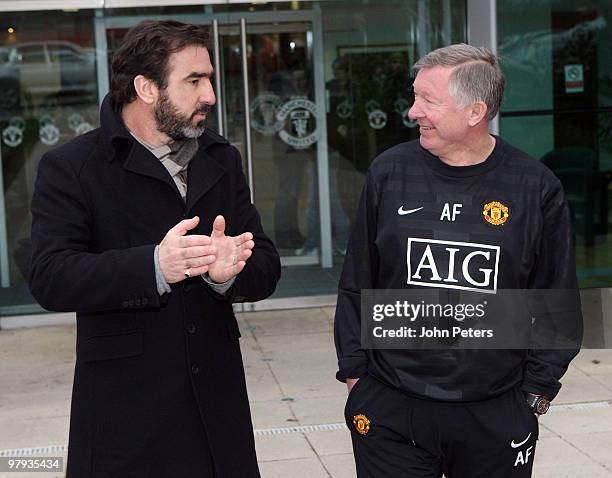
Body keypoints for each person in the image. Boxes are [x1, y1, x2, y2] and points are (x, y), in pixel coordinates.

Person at [29, 20, 280, 478]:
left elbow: (265, 264)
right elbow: (51, 276)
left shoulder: (221, 159)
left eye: (210, 80)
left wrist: (227, 276)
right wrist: (154, 266)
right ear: (146, 88)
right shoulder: (72, 167)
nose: (210, 96)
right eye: (194, 81)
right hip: (125, 420)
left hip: (218, 418)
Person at [334, 44, 583, 477]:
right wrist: (357, 378)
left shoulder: (533, 187)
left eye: (428, 101)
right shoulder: (389, 173)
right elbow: (357, 283)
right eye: (415, 97)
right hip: (392, 405)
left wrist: (533, 396)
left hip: (495, 411)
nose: (414, 112)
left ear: (475, 112)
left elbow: (558, 305)